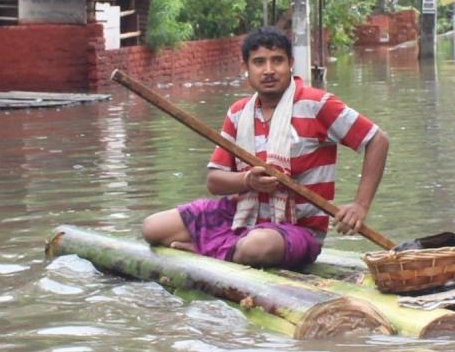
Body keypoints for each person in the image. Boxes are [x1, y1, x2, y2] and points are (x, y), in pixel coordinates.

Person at [142, 26, 389, 269]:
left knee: (257, 246)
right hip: (241, 217)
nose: (269, 70)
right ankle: (225, 250)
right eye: (259, 62)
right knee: (153, 227)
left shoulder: (317, 104)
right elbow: (214, 181)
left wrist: (360, 205)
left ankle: (210, 250)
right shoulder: (239, 113)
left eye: (277, 61)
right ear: (246, 69)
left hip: (297, 229)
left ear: (290, 63)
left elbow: (377, 139)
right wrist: (248, 181)